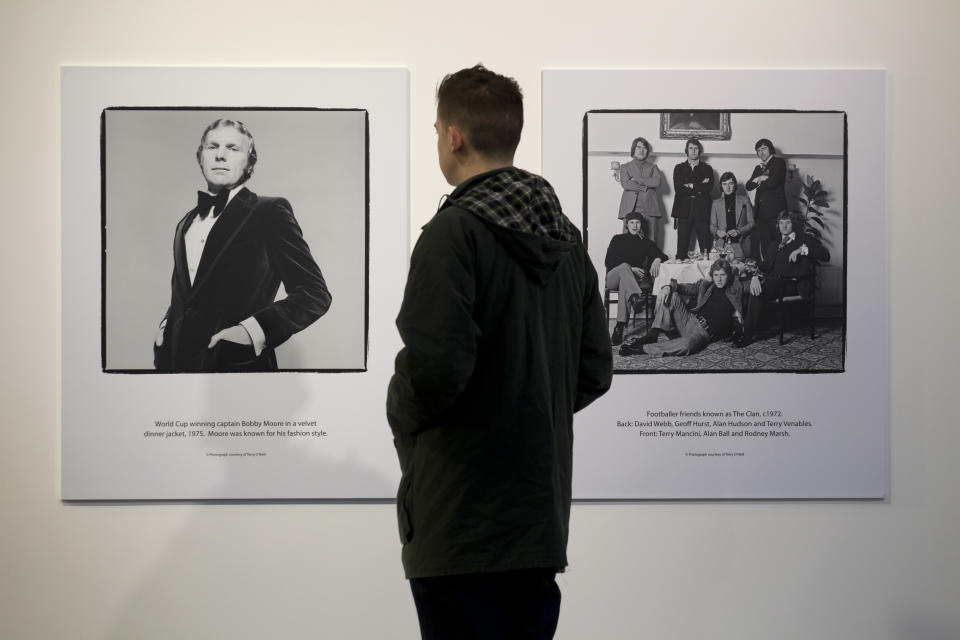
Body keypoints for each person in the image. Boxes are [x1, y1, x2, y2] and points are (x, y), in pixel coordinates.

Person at [386, 65, 612, 640]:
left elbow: (435, 367)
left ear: (453, 137)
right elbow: (593, 370)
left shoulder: (452, 233)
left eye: (438, 129)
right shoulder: (565, 238)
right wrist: (529, 407)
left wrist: (402, 419)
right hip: (537, 520)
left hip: (461, 520)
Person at [153, 118, 331, 372]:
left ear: (249, 161)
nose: (220, 155)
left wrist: (249, 332)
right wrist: (165, 328)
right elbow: (188, 295)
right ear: (200, 157)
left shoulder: (270, 211)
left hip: (239, 369)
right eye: (212, 147)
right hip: (174, 368)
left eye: (233, 149)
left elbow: (314, 293)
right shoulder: (186, 222)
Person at [620, 258, 745, 357]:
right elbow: (687, 287)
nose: (719, 279)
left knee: (687, 345)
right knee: (672, 296)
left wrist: (756, 277)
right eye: (716, 275)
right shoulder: (708, 285)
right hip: (689, 319)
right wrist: (669, 287)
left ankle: (641, 349)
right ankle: (653, 333)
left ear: (728, 275)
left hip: (702, 333)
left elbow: (747, 280)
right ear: (712, 275)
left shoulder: (736, 287)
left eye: (722, 275)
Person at [740, 211, 830, 346]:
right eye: (781, 223)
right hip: (772, 283)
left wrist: (802, 250)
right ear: (778, 225)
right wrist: (754, 276)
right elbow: (765, 266)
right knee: (747, 287)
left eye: (788, 222)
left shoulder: (804, 239)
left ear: (793, 224)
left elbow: (825, 255)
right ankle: (744, 329)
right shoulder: (774, 244)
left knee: (758, 289)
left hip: (792, 283)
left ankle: (747, 334)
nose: (784, 226)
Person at [605, 211, 668, 345]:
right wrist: (630, 268)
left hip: (628, 283)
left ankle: (619, 328)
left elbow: (663, 256)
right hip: (613, 278)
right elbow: (608, 262)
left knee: (625, 285)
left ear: (641, 225)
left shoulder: (645, 243)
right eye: (632, 222)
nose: (635, 225)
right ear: (627, 224)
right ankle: (635, 297)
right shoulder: (617, 239)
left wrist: (657, 259)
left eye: (637, 222)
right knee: (624, 267)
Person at [671, 137, 714, 259]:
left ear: (699, 151)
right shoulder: (679, 168)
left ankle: (707, 276)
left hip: (702, 211)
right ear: (686, 150)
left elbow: (709, 188)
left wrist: (690, 185)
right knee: (682, 248)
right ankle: (679, 276)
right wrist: (700, 186)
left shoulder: (707, 168)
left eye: (696, 148)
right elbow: (678, 189)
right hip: (684, 211)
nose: (693, 151)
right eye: (691, 148)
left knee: (705, 248)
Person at [745, 138, 787, 260]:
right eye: (758, 150)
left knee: (778, 243)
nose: (761, 152)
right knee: (765, 245)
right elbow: (748, 185)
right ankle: (768, 275)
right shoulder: (758, 168)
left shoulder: (778, 162)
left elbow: (773, 183)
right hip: (761, 213)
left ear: (770, 149)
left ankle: (779, 274)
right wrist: (760, 178)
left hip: (775, 212)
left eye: (764, 149)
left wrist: (762, 180)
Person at [617, 136, 662, 242]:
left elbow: (656, 182)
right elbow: (626, 184)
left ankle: (652, 260)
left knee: (650, 241)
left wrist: (636, 179)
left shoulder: (653, 167)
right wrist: (645, 186)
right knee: (627, 241)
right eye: (638, 147)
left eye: (644, 148)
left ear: (647, 151)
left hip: (650, 210)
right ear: (633, 149)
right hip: (629, 209)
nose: (641, 150)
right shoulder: (625, 167)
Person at [710, 171, 755, 259]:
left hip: (740, 245)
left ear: (735, 185)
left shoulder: (744, 200)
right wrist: (718, 232)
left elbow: (752, 223)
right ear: (721, 186)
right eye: (724, 184)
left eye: (730, 183)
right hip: (721, 246)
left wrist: (739, 232)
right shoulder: (715, 203)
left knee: (740, 270)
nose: (728, 187)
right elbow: (712, 226)